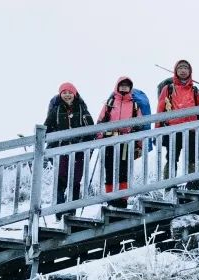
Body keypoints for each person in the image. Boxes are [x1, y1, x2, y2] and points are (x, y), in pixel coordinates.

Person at [157, 59, 199, 189]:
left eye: (185, 68)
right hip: (173, 129)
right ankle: (169, 183)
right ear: (176, 71)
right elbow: (160, 109)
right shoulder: (168, 88)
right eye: (180, 68)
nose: (183, 70)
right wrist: (158, 130)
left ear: (190, 72)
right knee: (172, 157)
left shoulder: (194, 89)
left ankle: (192, 182)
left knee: (192, 157)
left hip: (191, 129)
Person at [44, 82, 94, 214]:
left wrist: (87, 145)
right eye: (64, 93)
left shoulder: (82, 109)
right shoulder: (56, 110)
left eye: (70, 92)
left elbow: (91, 128)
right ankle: (59, 210)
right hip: (61, 150)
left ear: (75, 93)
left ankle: (72, 210)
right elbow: (47, 128)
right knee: (61, 177)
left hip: (79, 151)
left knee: (75, 180)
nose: (67, 95)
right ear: (60, 95)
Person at [96, 76, 144, 207]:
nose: (124, 87)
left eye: (126, 85)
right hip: (109, 141)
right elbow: (100, 121)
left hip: (126, 143)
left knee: (124, 170)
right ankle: (111, 197)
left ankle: (123, 198)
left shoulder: (134, 105)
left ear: (130, 88)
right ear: (117, 86)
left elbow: (139, 124)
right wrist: (100, 139)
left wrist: (139, 143)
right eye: (122, 85)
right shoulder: (110, 103)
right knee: (109, 170)